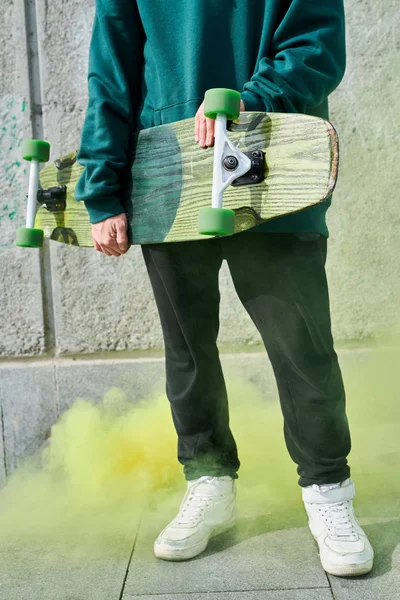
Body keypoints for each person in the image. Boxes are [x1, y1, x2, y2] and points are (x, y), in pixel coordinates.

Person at [75, 0, 374, 576]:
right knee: (187, 352)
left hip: (273, 166)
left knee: (302, 348)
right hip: (171, 171)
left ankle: (329, 491)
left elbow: (318, 44)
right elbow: (111, 69)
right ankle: (209, 479)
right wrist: (103, 185)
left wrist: (252, 100)